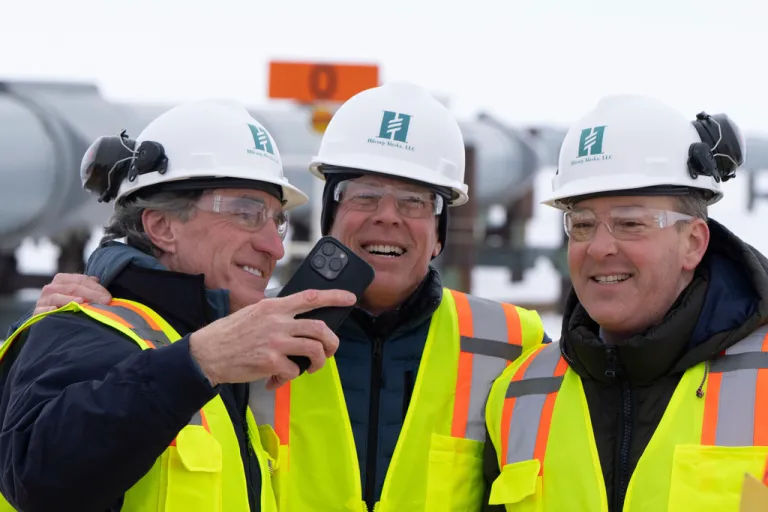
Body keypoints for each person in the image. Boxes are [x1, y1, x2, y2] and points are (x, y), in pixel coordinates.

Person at [22, 82, 551, 511]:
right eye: (364, 195)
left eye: (415, 201)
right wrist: (92, 304)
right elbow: (46, 465)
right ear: (329, 219)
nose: (388, 216)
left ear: (440, 233)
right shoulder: (239, 334)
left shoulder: (512, 345)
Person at [0, 99, 357, 512]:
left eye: (276, 220)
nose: (275, 247)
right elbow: (36, 478)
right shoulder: (82, 328)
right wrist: (197, 363)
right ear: (161, 226)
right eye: (246, 213)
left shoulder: (217, 350)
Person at [482, 94, 768, 512]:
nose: (599, 248)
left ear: (693, 242)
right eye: (581, 225)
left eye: (630, 223)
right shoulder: (517, 396)